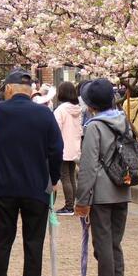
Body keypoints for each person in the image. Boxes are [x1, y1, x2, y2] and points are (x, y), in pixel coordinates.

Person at [0, 69, 63, 276]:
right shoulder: (43, 113)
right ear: (30, 91)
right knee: (33, 242)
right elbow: (56, 149)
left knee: (1, 242)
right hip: (35, 185)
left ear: (8, 89)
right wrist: (54, 178)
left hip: (3, 186)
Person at [75, 78, 131, 276]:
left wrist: (82, 199)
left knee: (103, 244)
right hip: (122, 189)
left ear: (91, 105)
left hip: (101, 193)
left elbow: (88, 166)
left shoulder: (94, 126)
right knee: (115, 243)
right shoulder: (123, 121)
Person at [53, 81, 82, 215]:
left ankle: (69, 206)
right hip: (74, 147)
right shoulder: (78, 109)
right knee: (71, 176)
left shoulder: (61, 110)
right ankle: (73, 204)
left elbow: (55, 129)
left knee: (65, 177)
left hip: (63, 147)